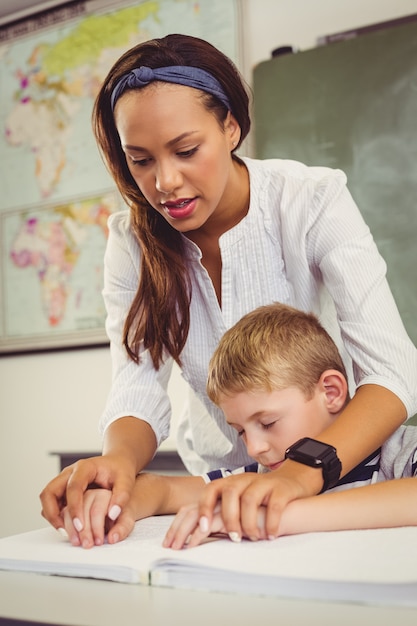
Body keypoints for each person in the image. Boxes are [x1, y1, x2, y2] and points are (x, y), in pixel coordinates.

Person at [39, 33, 417, 545]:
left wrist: (298, 475)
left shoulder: (310, 199)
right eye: (140, 160)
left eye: (186, 150)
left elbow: (392, 372)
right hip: (226, 497)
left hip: (339, 470)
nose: (164, 182)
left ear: (231, 127)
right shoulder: (131, 241)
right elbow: (136, 388)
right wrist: (118, 467)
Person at [60, 303, 417, 550]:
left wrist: (278, 517)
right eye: (242, 430)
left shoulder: (395, 452)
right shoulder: (264, 471)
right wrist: (112, 505)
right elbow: (162, 491)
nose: (254, 447)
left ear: (331, 392)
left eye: (267, 422)